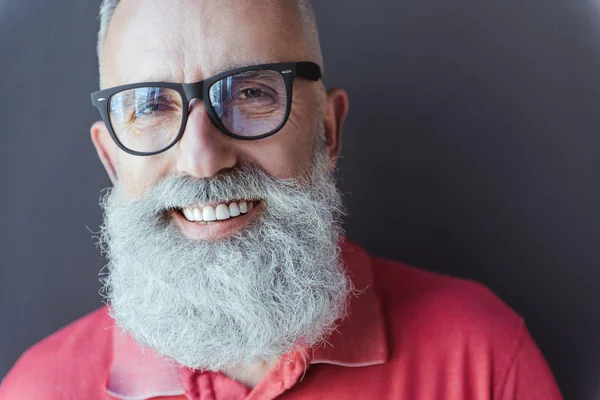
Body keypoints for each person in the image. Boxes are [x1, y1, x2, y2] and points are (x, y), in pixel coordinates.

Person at [0, 1, 563, 399]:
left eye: (251, 92)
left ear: (327, 131)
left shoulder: (484, 365)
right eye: (150, 106)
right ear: (111, 159)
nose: (202, 157)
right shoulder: (36, 392)